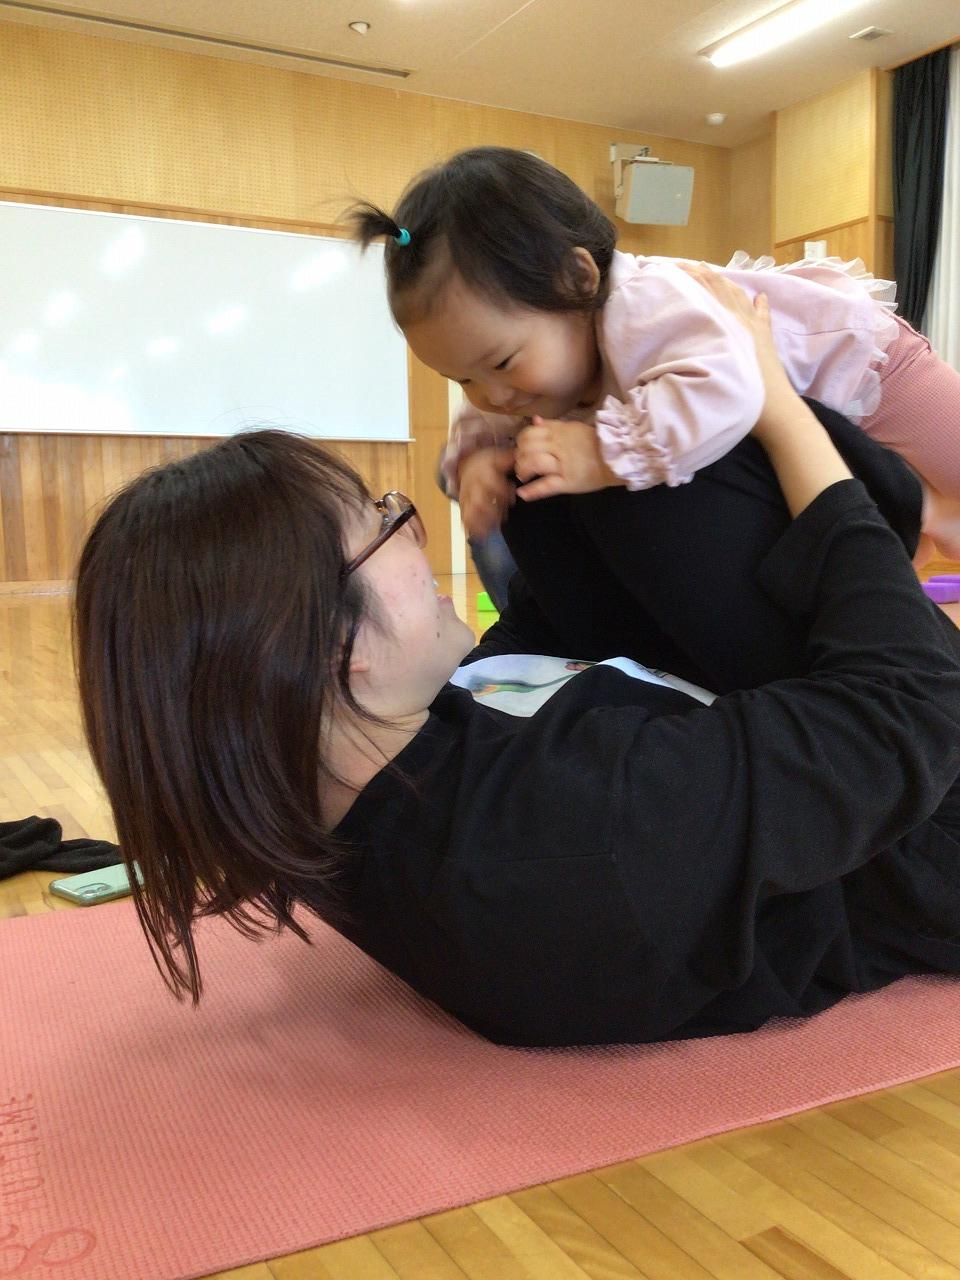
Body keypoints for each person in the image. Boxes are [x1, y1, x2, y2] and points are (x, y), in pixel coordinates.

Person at [73, 276, 960, 1048]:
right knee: (681, 461)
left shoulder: (352, 774)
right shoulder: (570, 835)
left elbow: (527, 666)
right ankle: (923, 504)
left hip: (776, 768)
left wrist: (524, 456)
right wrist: (779, 411)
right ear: (336, 648)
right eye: (381, 525)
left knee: (565, 463)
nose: (414, 531)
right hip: (930, 819)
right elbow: (912, 708)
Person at [349, 146, 960, 565]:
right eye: (461, 379)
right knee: (868, 535)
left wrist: (604, 452)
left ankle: (936, 514)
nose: (492, 394)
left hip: (870, 367)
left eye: (502, 363)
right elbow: (490, 418)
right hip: (815, 424)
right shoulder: (522, 375)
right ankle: (929, 520)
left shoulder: (644, 305)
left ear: (577, 279)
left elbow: (731, 388)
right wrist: (480, 460)